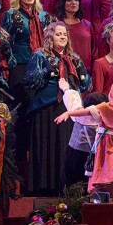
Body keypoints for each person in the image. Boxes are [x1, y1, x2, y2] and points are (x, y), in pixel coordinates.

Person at [25, 21, 90, 194]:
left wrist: (84, 77)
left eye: (64, 34)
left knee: (65, 148)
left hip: (70, 109)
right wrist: (46, 73)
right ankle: (45, 188)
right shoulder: (40, 56)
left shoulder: (74, 58)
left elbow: (85, 86)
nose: (62, 37)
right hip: (46, 109)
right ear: (50, 36)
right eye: (58, 34)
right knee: (48, 147)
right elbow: (30, 81)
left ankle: (67, 186)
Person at [2, 0, 50, 107]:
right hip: (20, 64)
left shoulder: (42, 15)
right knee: (22, 104)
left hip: (40, 64)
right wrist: (12, 32)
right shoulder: (11, 14)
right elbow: (4, 42)